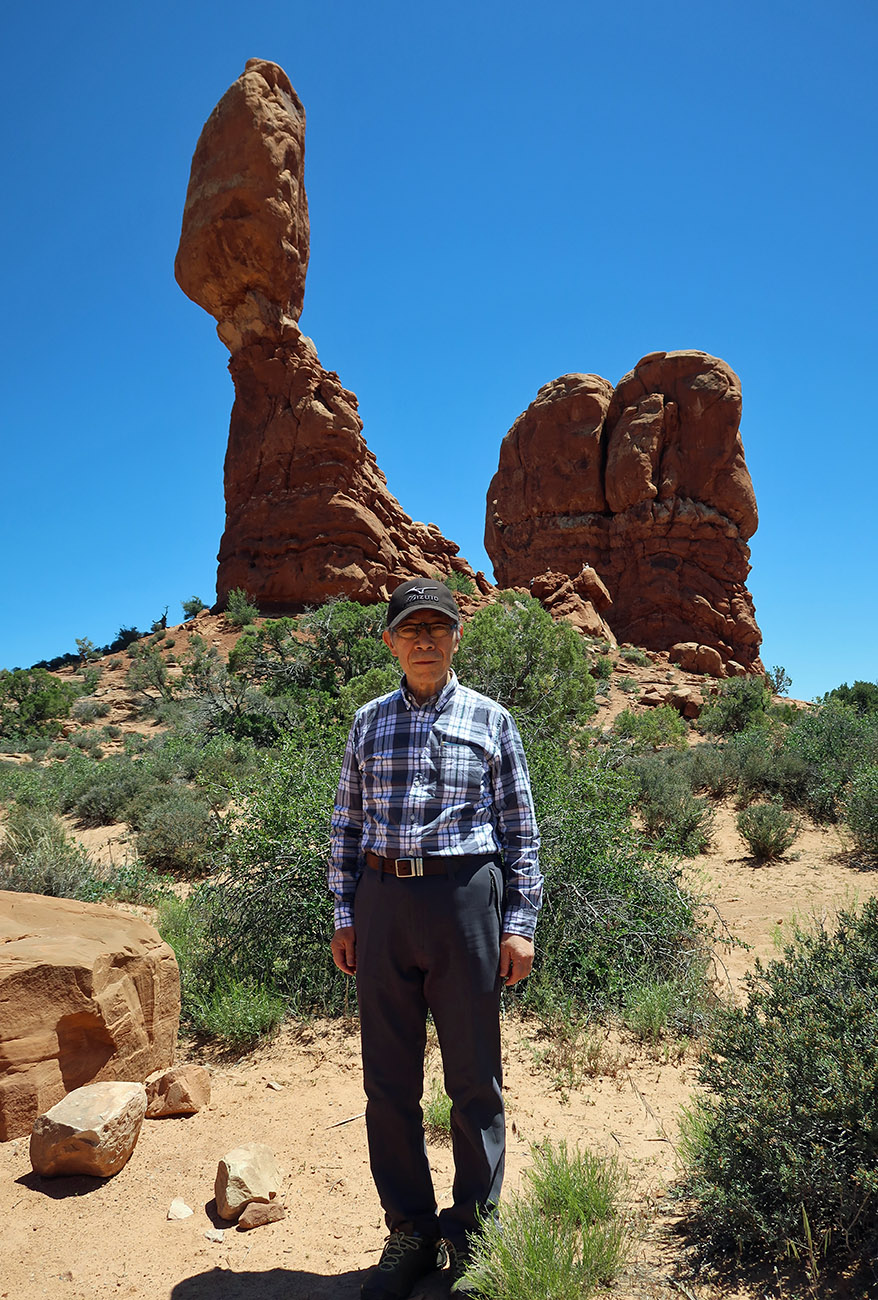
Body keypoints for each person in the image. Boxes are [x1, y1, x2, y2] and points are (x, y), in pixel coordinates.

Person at [329, 577, 542, 1300]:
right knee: (388, 1080)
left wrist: (519, 924)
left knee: (474, 1076)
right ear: (391, 641)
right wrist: (345, 914)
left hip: (465, 901)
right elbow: (346, 825)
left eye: (437, 628)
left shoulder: (492, 720)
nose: (425, 641)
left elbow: (520, 830)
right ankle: (411, 1233)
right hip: (383, 899)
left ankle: (475, 1233)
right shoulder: (367, 723)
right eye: (411, 629)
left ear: (457, 637)